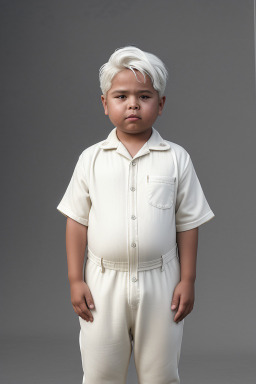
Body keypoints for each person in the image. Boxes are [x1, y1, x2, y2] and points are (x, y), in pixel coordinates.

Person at [56, 45, 215, 384]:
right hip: (101, 284)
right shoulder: (91, 159)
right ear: (105, 104)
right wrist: (75, 279)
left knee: (160, 374)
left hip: (162, 283)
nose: (132, 104)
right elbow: (77, 221)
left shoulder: (176, 159)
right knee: (100, 374)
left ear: (161, 105)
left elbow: (187, 224)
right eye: (121, 96)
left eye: (144, 96)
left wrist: (188, 280)